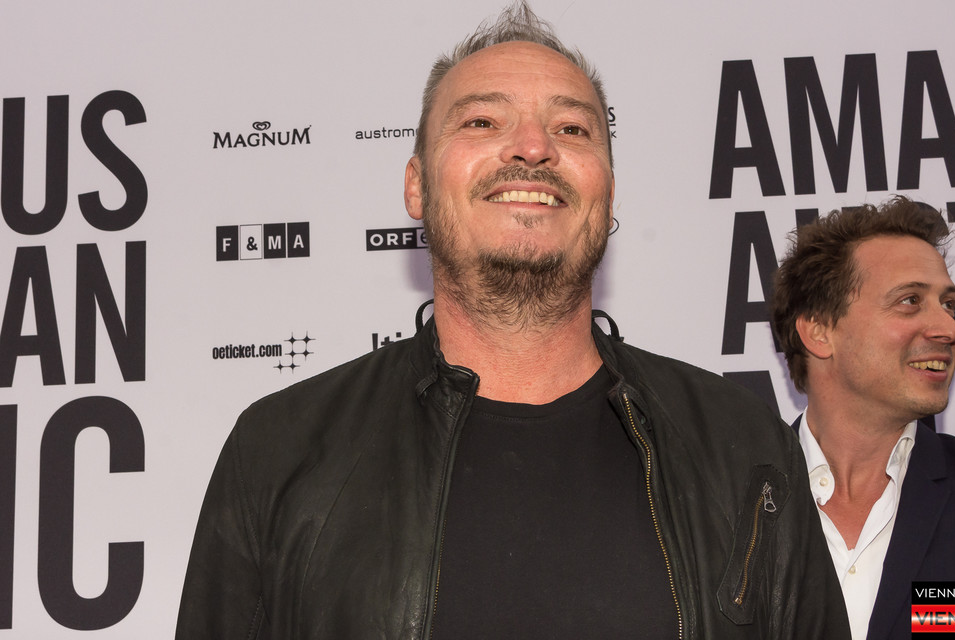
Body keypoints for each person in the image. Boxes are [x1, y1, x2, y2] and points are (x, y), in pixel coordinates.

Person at [176, 3, 848, 638]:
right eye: (481, 122)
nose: (532, 147)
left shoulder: (743, 446)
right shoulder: (281, 450)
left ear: (609, 191)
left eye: (572, 129)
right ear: (416, 185)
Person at [771, 196, 955, 640]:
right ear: (819, 331)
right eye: (910, 301)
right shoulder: (728, 507)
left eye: (949, 305)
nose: (950, 329)